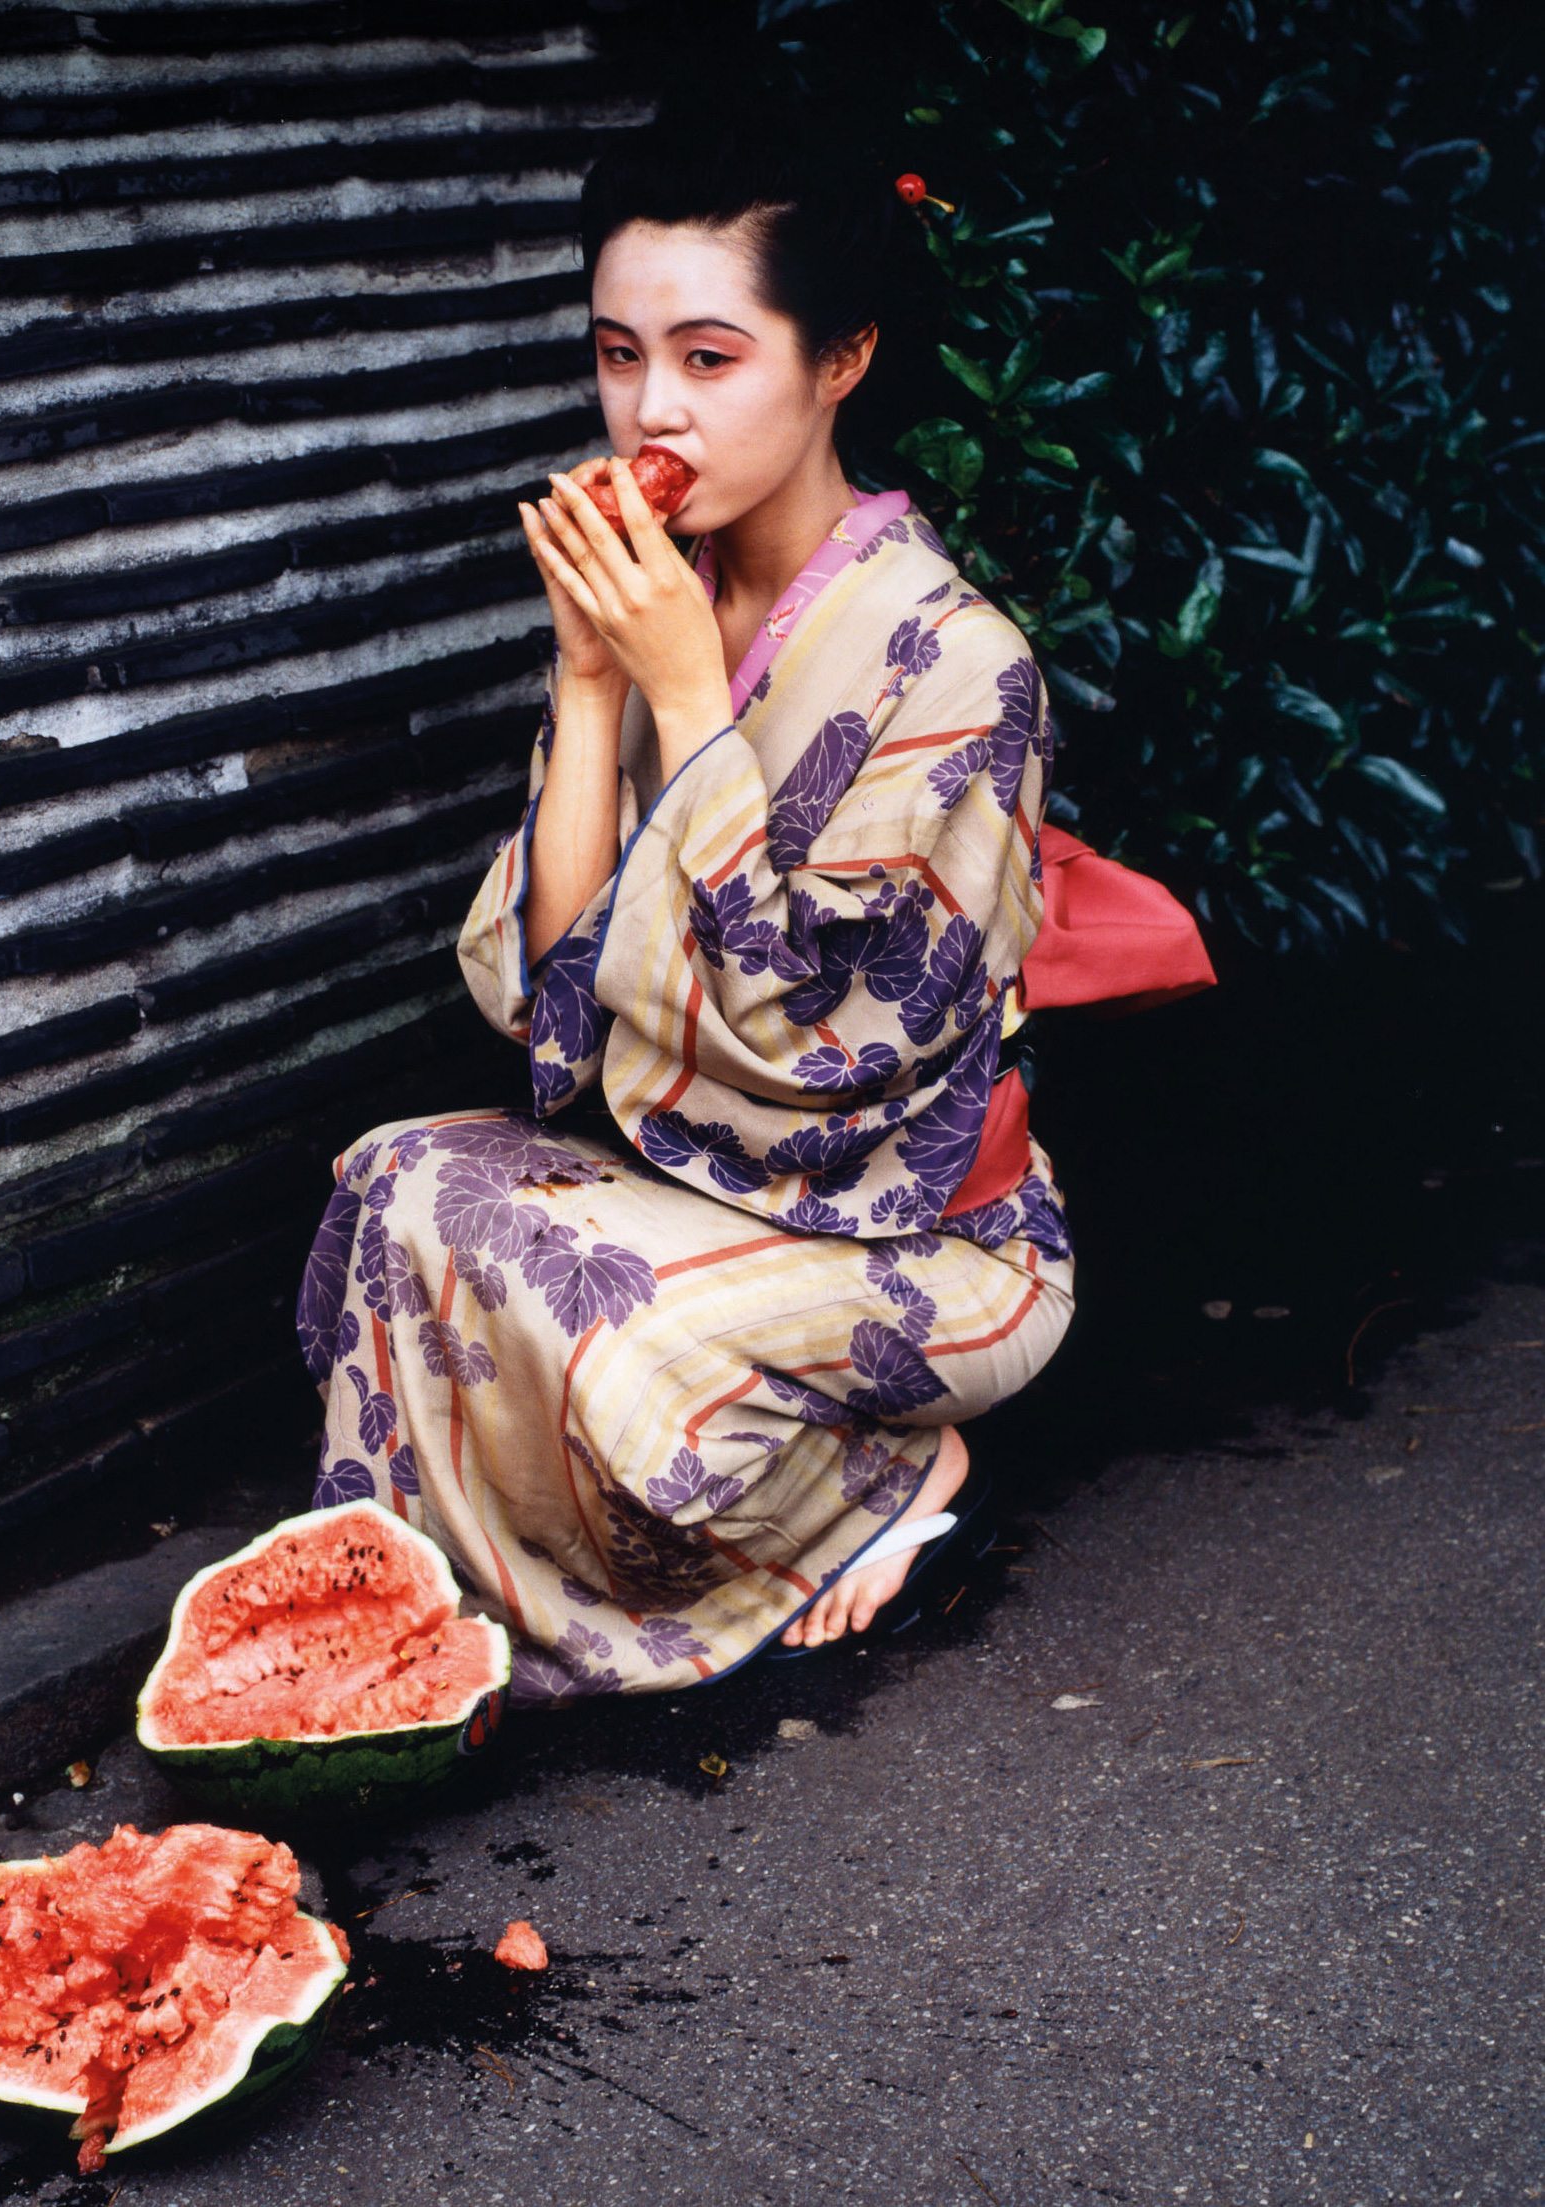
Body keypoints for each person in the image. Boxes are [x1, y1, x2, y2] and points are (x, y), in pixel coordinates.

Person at [293, 102, 1082, 1700]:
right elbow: (547, 1009)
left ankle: (888, 1478)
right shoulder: (673, 598)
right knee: (396, 1186)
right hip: (699, 1179)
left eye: (711, 361)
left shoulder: (963, 667)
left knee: (612, 1344)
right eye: (617, 353)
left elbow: (827, 1055)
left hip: (915, 1230)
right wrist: (594, 689)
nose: (652, 407)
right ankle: (428, 1631)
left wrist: (685, 697)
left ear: (840, 359)